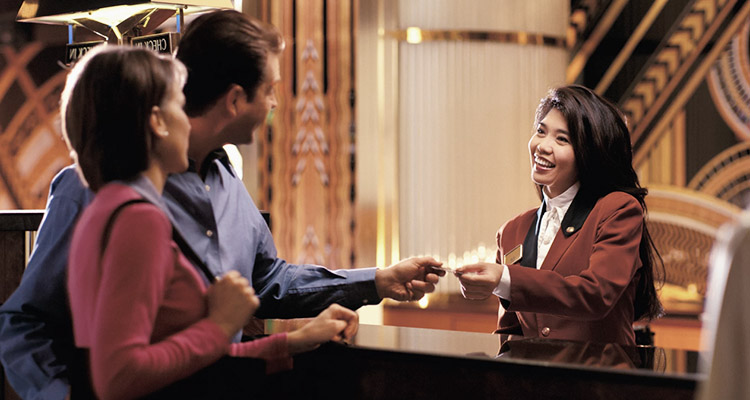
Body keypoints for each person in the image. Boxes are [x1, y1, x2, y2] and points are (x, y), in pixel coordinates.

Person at [0, 10, 443, 400]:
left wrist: (374, 282)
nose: (275, 104)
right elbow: (31, 324)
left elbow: (262, 284)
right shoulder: (99, 193)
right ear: (234, 99)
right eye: (270, 90)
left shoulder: (228, 181)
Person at [62, 44, 360, 399]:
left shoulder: (105, 209)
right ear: (157, 122)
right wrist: (219, 324)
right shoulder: (138, 220)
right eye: (179, 106)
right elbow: (118, 377)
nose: (188, 122)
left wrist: (293, 342)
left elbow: (186, 363)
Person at [456, 84, 662, 345]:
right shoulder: (511, 231)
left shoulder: (617, 209)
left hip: (601, 371)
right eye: (541, 132)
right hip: (530, 372)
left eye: (562, 139)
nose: (542, 146)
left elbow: (595, 295)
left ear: (590, 152)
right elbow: (510, 331)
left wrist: (504, 278)